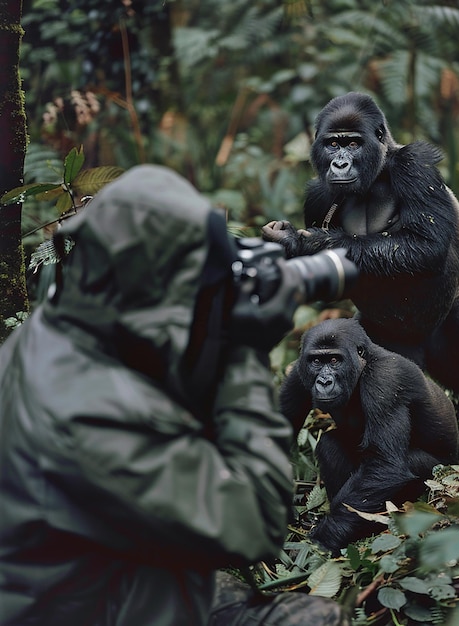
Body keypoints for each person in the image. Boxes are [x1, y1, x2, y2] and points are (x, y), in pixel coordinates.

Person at [0, 165, 349, 626]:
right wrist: (241, 353)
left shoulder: (58, 331)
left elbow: (152, 392)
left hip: (87, 575)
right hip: (80, 605)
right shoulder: (89, 412)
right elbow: (257, 524)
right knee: (312, 619)